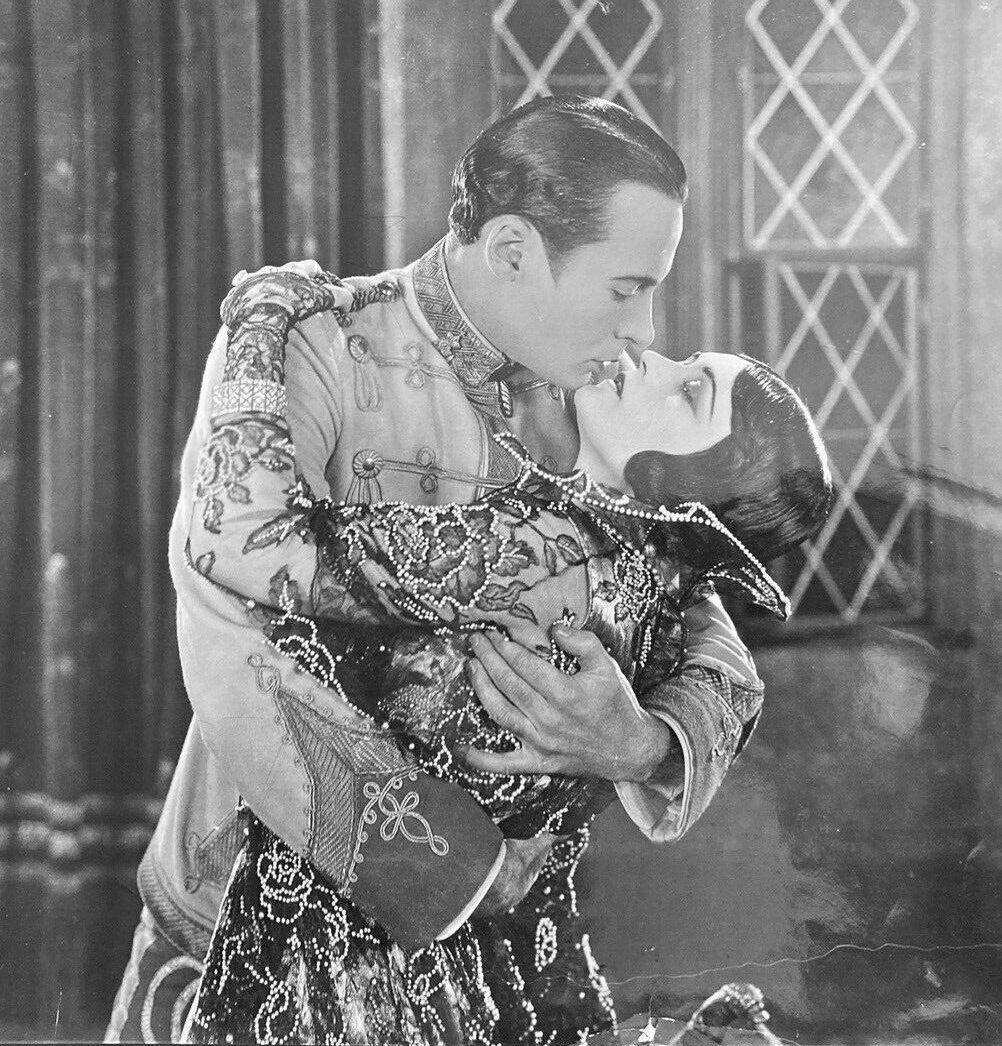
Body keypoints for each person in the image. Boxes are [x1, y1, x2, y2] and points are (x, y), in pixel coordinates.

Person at [106, 96, 773, 1043]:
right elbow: (234, 626)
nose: (644, 327)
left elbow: (708, 641)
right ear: (511, 249)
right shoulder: (313, 342)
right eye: (627, 289)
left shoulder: (598, 393)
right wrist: (453, 868)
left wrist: (641, 744)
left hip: (509, 951)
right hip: (262, 922)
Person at [179, 266, 832, 1044]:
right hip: (444, 924)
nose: (647, 349)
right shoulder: (653, 576)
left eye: (689, 391)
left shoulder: (540, 551)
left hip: (361, 943)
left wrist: (257, 319)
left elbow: (248, 539)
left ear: (695, 497)